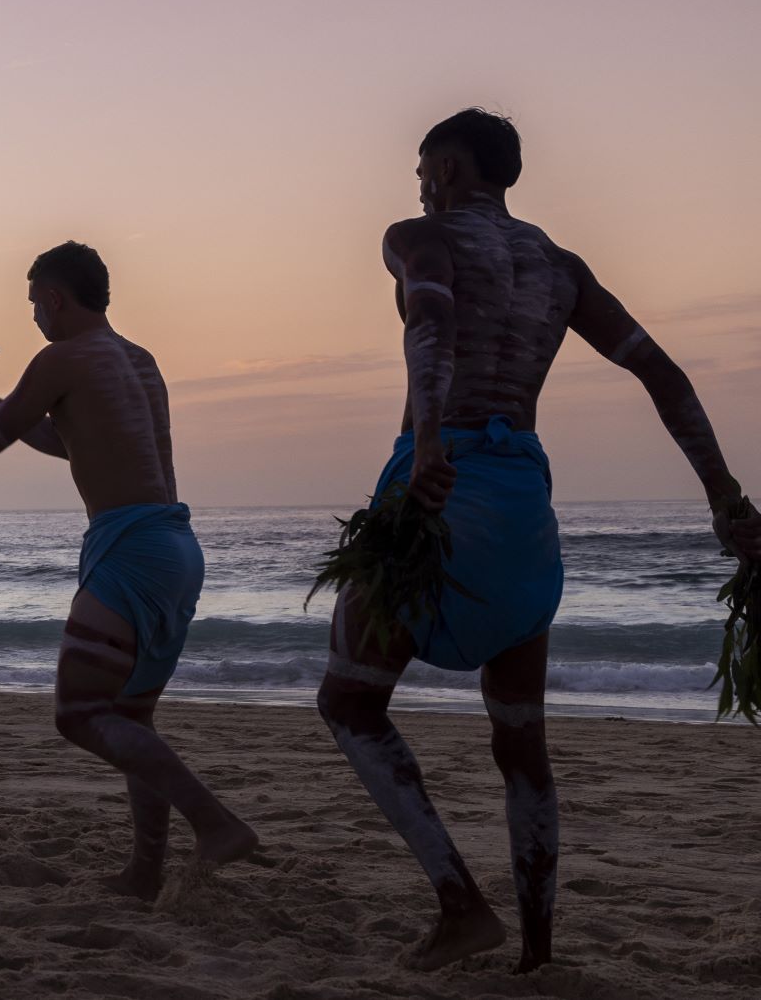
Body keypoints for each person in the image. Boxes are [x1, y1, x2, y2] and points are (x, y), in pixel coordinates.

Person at [319, 108, 761, 972]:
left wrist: (434, 444)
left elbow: (433, 320)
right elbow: (661, 373)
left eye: (421, 168)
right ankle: (540, 949)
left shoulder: (419, 235)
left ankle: (460, 904)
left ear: (447, 167)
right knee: (520, 737)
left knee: (349, 702)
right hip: (524, 498)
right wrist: (726, 500)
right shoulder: (561, 269)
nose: (416, 184)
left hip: (443, 485)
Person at [0, 242, 257, 900]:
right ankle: (144, 872)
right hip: (176, 545)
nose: (33, 317)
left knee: (78, 713)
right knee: (131, 719)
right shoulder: (137, 360)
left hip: (132, 549)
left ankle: (216, 822)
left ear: (55, 297)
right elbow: (71, 437)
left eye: (34, 303)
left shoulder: (62, 355)